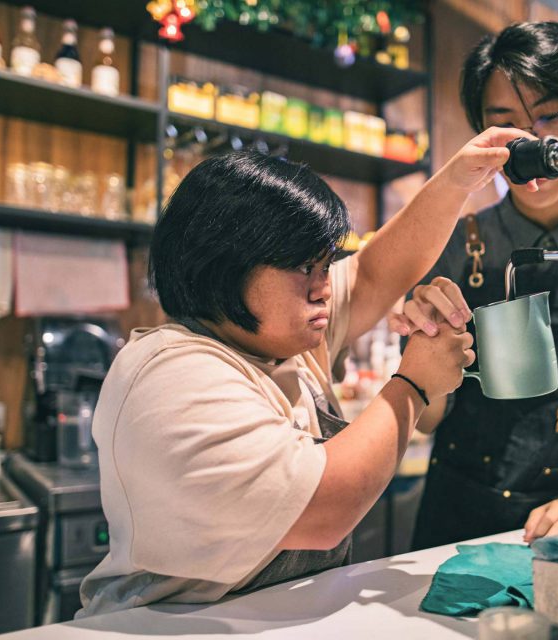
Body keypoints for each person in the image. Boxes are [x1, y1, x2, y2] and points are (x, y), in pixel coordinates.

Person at [77, 127, 530, 616]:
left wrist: (457, 180)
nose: (324, 289)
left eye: (325, 264)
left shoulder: (273, 335)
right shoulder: (172, 377)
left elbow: (375, 272)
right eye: (304, 268)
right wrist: (414, 384)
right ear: (225, 266)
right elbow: (321, 511)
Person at [393, 22, 558, 550]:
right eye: (506, 125)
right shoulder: (452, 245)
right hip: (454, 514)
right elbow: (426, 420)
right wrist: (425, 345)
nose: (531, 143)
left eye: (551, 116)